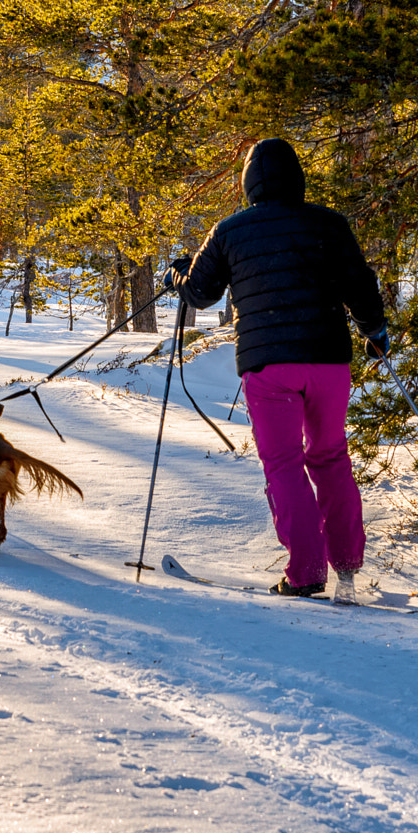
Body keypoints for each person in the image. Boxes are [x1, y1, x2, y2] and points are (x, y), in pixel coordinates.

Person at [165, 138, 388, 602]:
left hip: (269, 367)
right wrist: (375, 331)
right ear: (298, 177)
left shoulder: (230, 230)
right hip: (328, 360)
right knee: (329, 456)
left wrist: (176, 276)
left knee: (283, 464)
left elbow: (200, 293)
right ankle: (346, 566)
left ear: (249, 184)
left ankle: (306, 572)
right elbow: (360, 284)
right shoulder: (328, 224)